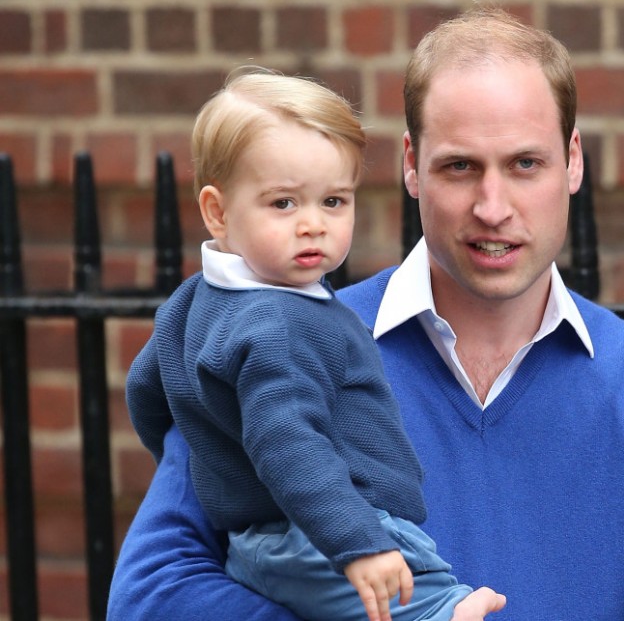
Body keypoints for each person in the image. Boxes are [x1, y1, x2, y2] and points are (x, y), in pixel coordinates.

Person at [109, 8, 624, 620]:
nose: (492, 208)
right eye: (459, 166)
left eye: (525, 164)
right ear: (410, 165)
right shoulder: (283, 340)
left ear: (572, 161)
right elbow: (149, 596)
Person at [121, 66, 505, 621]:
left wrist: (206, 454)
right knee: (419, 597)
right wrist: (360, 542)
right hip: (319, 538)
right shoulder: (280, 324)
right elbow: (289, 441)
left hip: (261, 542)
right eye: (283, 203)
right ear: (218, 212)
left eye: (333, 201)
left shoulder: (192, 301)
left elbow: (147, 387)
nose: (312, 225)